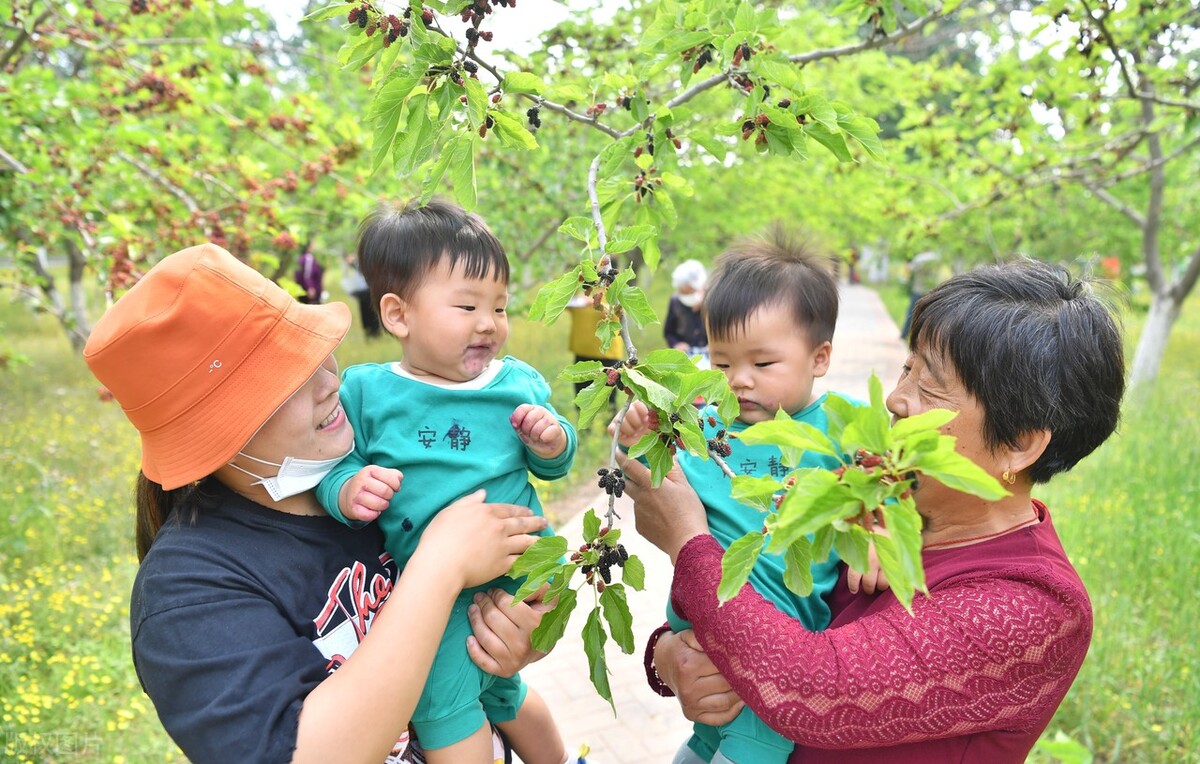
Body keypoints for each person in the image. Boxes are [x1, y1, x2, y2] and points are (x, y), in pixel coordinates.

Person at [624, 258, 1124, 763]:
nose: (895, 399)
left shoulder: (1033, 607)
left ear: (1018, 443)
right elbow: (762, 604)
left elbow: (811, 691)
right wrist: (670, 655)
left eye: (929, 386)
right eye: (907, 368)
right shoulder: (870, 502)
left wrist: (687, 542)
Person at [82, 242, 552, 764]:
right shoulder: (190, 591)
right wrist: (440, 567)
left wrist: (515, 638)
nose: (330, 383)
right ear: (217, 435)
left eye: (313, 353)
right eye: (284, 381)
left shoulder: (368, 475)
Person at [315, 199, 575, 764]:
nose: (490, 323)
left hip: (524, 564)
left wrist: (551, 442)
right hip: (443, 587)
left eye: (500, 307)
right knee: (500, 691)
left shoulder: (515, 383)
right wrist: (347, 489)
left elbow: (554, 461)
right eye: (467, 305)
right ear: (399, 315)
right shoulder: (367, 393)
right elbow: (336, 465)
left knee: (440, 702)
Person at [613, 231, 865, 764]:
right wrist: (637, 432)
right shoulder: (705, 422)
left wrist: (878, 534)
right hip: (698, 644)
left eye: (763, 365)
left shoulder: (838, 431)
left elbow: (886, 492)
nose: (739, 382)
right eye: (722, 364)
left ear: (819, 358)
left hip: (771, 659)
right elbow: (643, 470)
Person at [663, 259, 708, 364]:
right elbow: (668, 332)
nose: (688, 296)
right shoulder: (675, 302)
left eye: (691, 292)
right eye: (683, 292)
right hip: (685, 357)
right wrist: (676, 344)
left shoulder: (715, 301)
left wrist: (716, 345)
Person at [900, 250, 940, 339]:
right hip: (930, 291)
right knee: (928, 317)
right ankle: (923, 338)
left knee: (911, 313)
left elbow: (910, 269)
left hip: (918, 290)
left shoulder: (920, 258)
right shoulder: (937, 258)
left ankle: (904, 335)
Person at [342, 253, 382, 338]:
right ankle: (369, 331)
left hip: (368, 291)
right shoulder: (357, 264)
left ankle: (374, 332)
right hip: (362, 292)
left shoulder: (364, 262)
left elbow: (361, 270)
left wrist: (353, 262)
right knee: (365, 311)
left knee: (370, 311)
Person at [296, 240, 325, 304]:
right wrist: (310, 288)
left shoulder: (301, 257)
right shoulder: (308, 258)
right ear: (308, 246)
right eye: (313, 244)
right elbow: (307, 275)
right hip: (309, 292)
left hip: (302, 290)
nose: (315, 246)